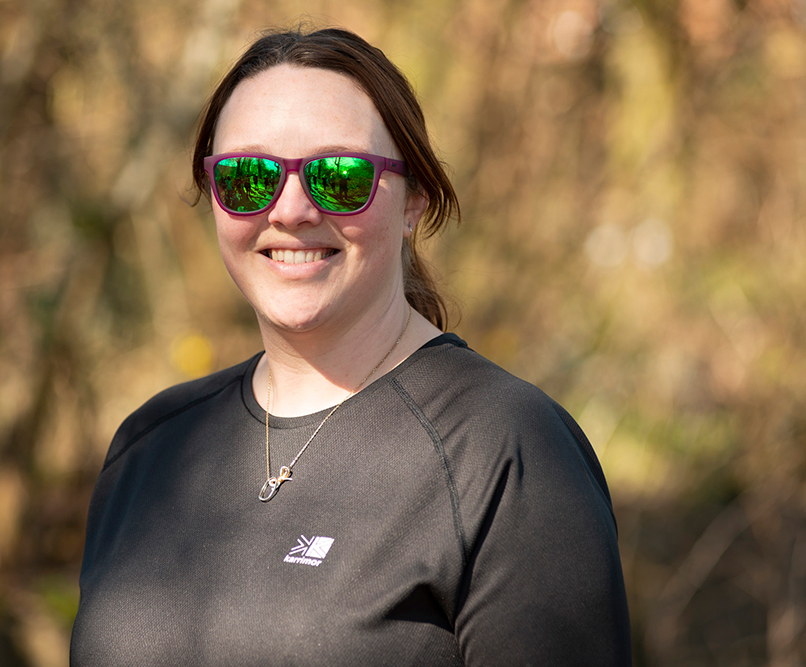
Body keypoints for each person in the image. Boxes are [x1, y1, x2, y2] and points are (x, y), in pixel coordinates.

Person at [70, 27, 632, 666]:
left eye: (339, 176)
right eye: (248, 176)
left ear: (415, 198)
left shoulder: (506, 451)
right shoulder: (151, 447)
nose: (290, 210)